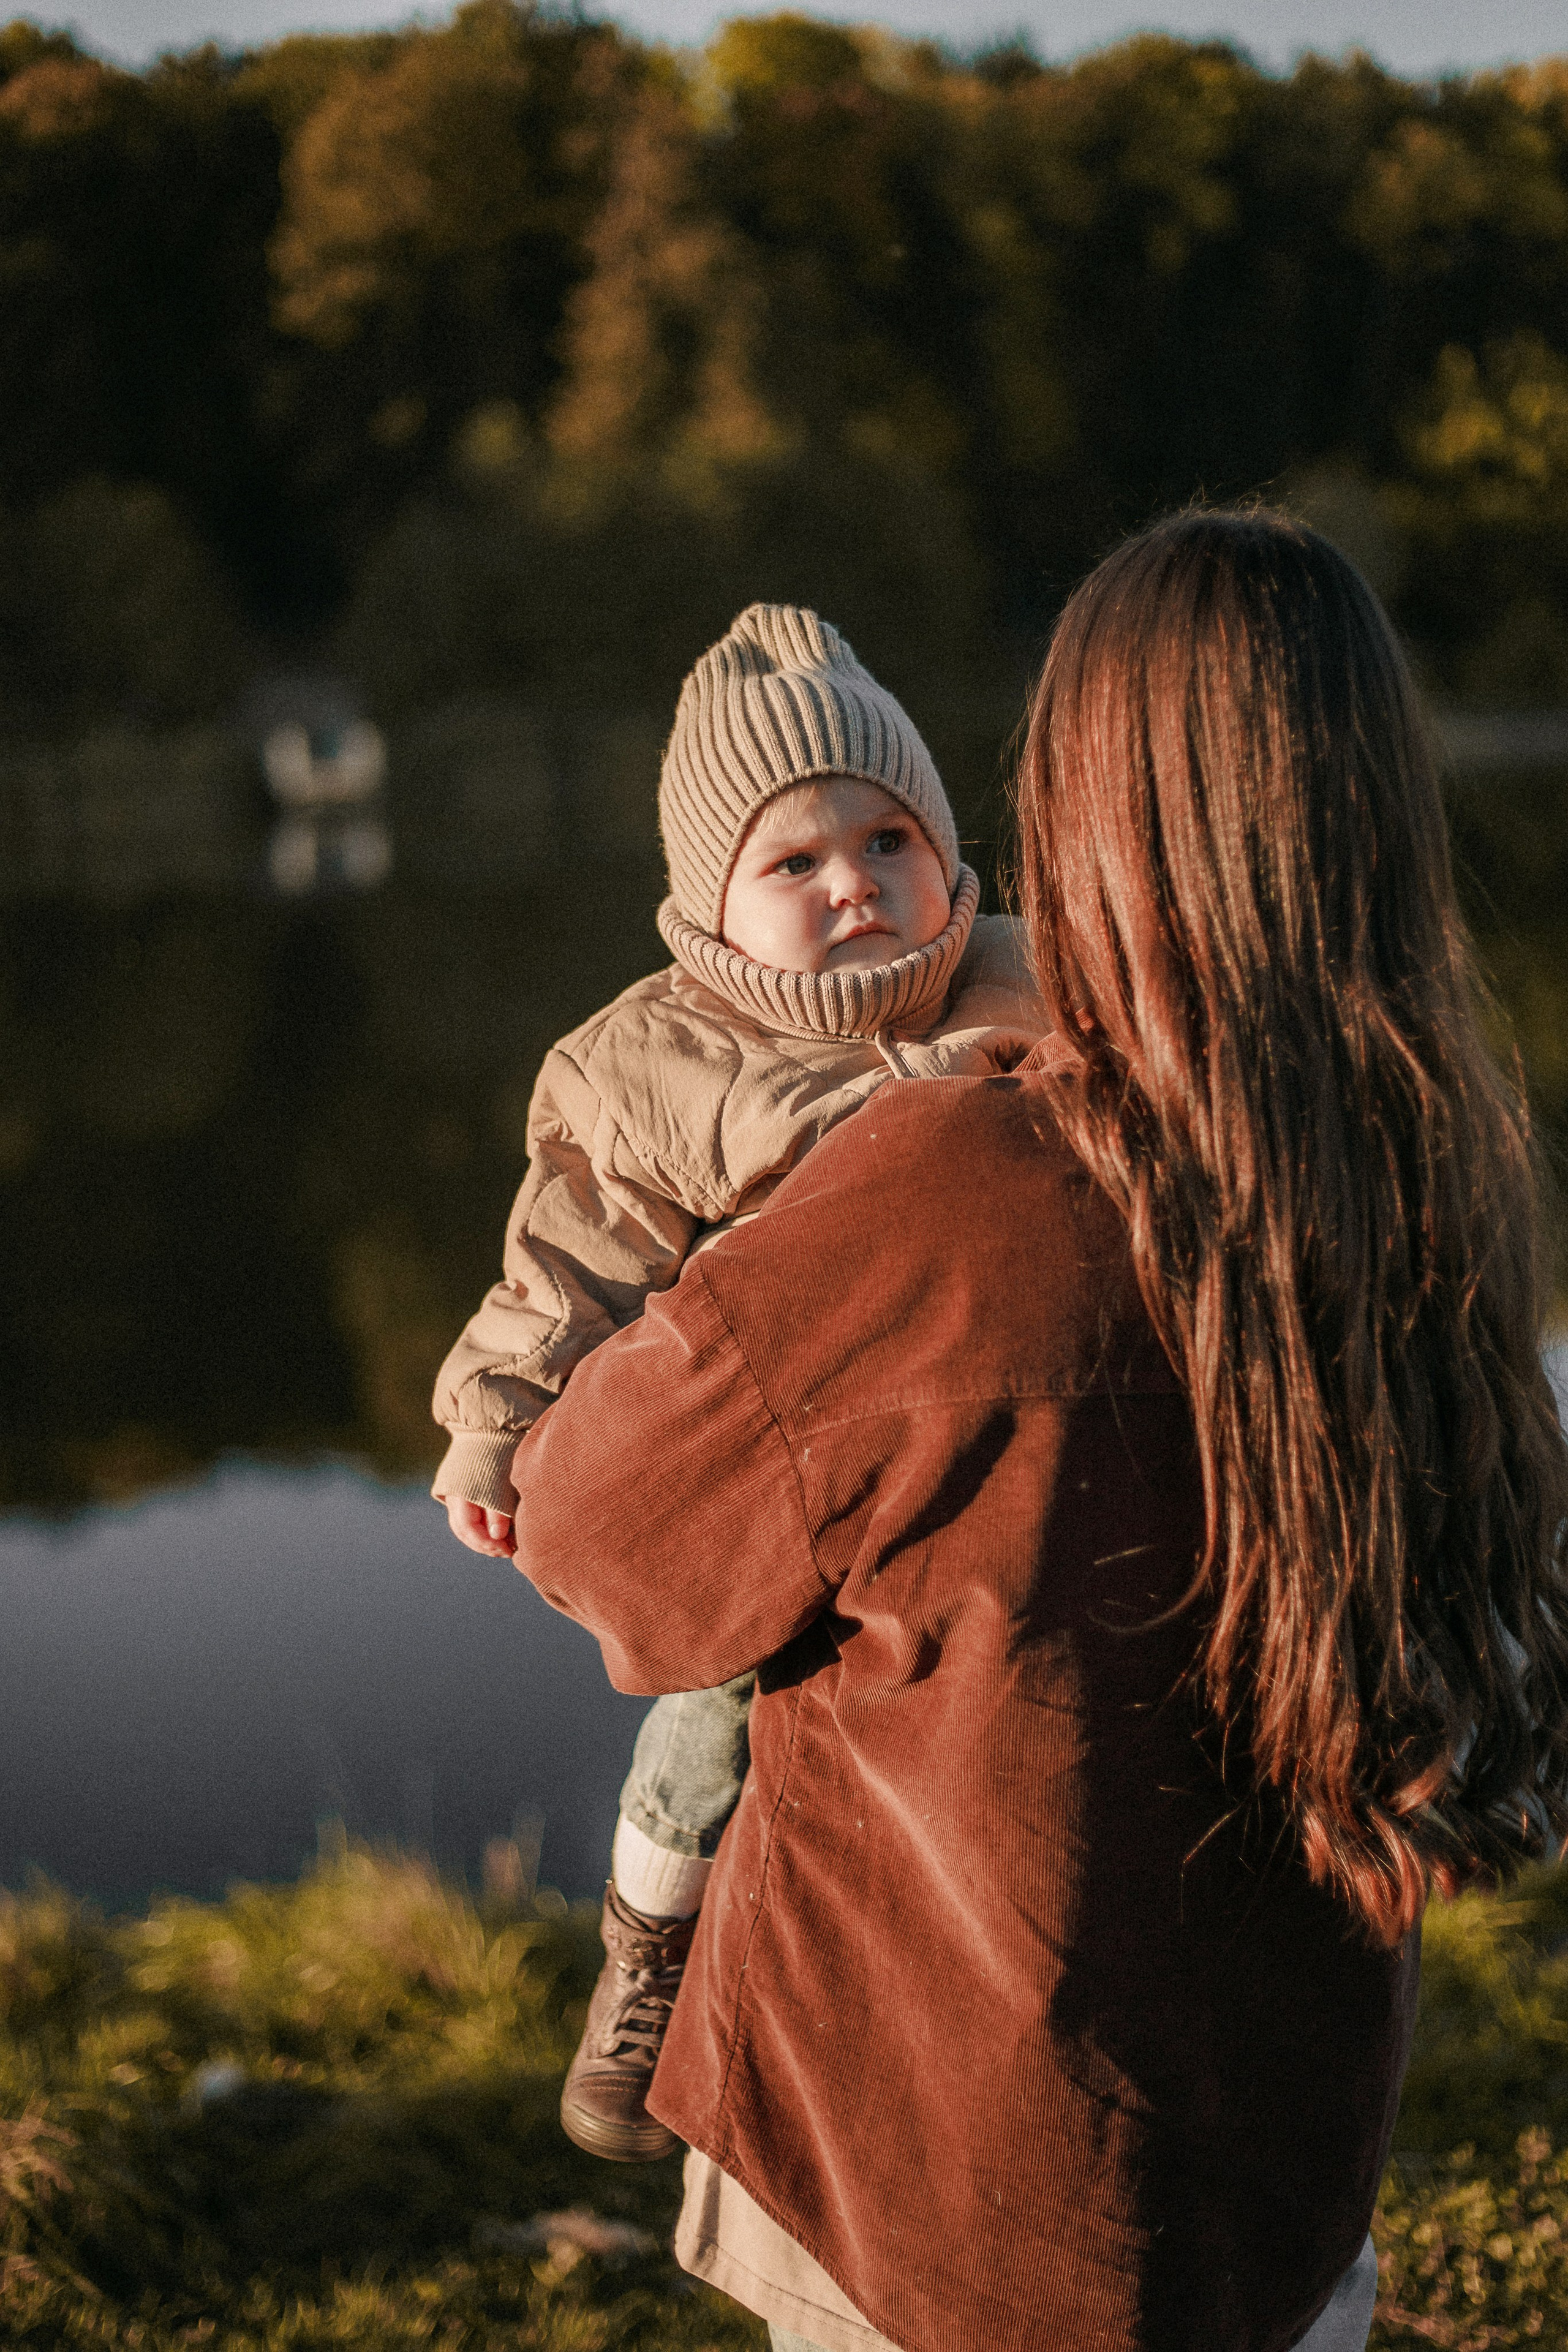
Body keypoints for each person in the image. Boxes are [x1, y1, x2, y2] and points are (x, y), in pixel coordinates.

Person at [505, 510, 1568, 2352]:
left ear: (1074, 819)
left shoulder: (938, 1189)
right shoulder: (1426, 1187)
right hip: (1282, 2187)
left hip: (929, 2190)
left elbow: (603, 1540)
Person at [430, 601, 1044, 2157]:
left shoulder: (1030, 982)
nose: (855, 885)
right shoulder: (654, 1065)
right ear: (709, 907)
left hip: (995, 1434)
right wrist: (495, 1427)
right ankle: (649, 1941)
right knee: (714, 1709)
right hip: (790, 1458)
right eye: (794, 862)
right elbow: (564, 1268)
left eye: (889, 840)